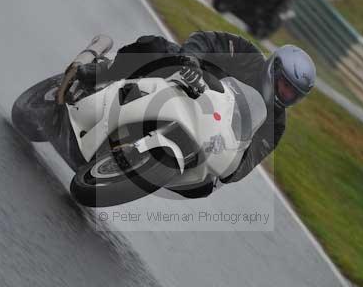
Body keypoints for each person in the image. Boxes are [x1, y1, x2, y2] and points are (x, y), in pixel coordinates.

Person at [73, 32, 316, 198]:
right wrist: (191, 60)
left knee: (203, 188)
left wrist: (233, 167)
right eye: (285, 85)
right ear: (274, 68)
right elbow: (205, 40)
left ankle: (142, 164)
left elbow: (250, 161)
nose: (285, 95)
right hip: (188, 88)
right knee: (156, 46)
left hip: (209, 140)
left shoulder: (276, 123)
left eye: (292, 94)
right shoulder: (247, 54)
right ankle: (104, 71)